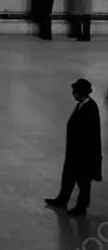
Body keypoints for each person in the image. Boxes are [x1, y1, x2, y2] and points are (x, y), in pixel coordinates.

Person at [45, 77, 102, 216]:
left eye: (75, 91)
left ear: (81, 92)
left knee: (83, 181)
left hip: (84, 153)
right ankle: (62, 200)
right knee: (69, 176)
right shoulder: (81, 105)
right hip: (74, 151)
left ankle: (81, 206)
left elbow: (92, 135)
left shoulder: (91, 108)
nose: (73, 94)